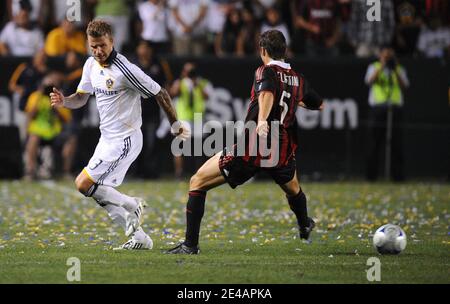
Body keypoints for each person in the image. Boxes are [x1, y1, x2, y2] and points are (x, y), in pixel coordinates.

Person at [166, 30, 323, 254]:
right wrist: (294, 101)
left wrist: (261, 121)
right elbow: (318, 105)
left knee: (197, 182)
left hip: (254, 146)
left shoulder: (264, 70)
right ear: (285, 51)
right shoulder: (298, 79)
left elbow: (266, 94)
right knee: (293, 189)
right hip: (280, 149)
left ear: (262, 50)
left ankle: (190, 245)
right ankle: (304, 223)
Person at [50, 20, 189, 250]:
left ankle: (131, 204)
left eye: (102, 45)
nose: (98, 51)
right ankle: (139, 237)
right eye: (93, 46)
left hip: (126, 139)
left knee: (83, 183)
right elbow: (82, 97)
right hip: (106, 140)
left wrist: (175, 125)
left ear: (112, 41)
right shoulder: (90, 65)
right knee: (94, 191)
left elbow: (161, 93)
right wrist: (65, 101)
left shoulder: (125, 70)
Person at [365, 45, 409, 182]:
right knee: (374, 143)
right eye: (386, 55)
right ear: (380, 55)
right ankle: (372, 177)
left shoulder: (399, 69)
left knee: (396, 144)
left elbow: (405, 85)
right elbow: (369, 81)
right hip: (378, 108)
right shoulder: (374, 66)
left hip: (395, 108)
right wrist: (382, 65)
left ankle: (398, 177)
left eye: (390, 56)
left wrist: (394, 68)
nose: (388, 58)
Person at [24, 73, 71, 180]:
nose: (48, 89)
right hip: (39, 131)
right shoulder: (35, 96)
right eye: (47, 87)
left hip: (55, 131)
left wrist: (56, 105)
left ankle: (65, 171)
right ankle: (30, 171)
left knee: (70, 139)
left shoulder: (60, 97)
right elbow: (31, 115)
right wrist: (40, 94)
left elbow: (66, 119)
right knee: (33, 139)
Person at [169, 62, 212, 179]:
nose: (189, 74)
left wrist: (197, 85)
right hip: (183, 118)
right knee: (179, 146)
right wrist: (180, 82)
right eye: (187, 71)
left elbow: (207, 97)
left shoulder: (201, 83)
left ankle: (199, 173)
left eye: (191, 71)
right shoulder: (180, 83)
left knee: (199, 147)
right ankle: (179, 173)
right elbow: (173, 93)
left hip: (198, 117)